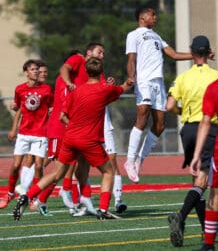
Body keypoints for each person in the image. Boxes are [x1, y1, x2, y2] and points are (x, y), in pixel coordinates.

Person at [13, 57, 133, 221]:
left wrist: (75, 128)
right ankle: (103, 209)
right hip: (89, 139)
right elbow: (124, 87)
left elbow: (62, 116)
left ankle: (27, 196)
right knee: (108, 171)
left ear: (85, 71)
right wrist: (129, 80)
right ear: (101, 72)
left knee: (58, 173)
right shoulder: (104, 90)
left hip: (69, 137)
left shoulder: (76, 91)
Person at [124, 5, 194, 183]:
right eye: (152, 14)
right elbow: (131, 59)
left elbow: (174, 54)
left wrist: (197, 55)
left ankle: (140, 158)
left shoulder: (157, 36)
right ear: (142, 17)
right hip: (144, 81)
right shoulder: (133, 35)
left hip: (158, 82)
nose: (155, 17)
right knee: (143, 114)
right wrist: (131, 77)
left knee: (160, 125)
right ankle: (129, 160)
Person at [166, 35, 218, 247]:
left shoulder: (183, 77)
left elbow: (169, 105)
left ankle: (203, 228)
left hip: (188, 129)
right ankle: (180, 216)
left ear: (191, 51)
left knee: (197, 181)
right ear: (209, 52)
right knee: (203, 180)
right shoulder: (216, 76)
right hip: (207, 128)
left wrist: (183, 112)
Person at [60, 42, 127, 213]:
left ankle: (116, 200)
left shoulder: (98, 69)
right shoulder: (77, 59)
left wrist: (110, 84)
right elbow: (64, 69)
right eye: (100, 52)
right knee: (75, 165)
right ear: (89, 52)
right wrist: (68, 83)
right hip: (84, 127)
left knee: (110, 161)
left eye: (103, 53)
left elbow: (104, 91)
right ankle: (75, 195)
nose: (102, 55)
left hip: (100, 122)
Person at [190, 37, 218, 251]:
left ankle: (209, 245)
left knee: (215, 193)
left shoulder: (215, 86)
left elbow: (205, 123)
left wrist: (197, 155)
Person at [0, 59, 53, 209]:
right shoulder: (19, 89)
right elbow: (19, 108)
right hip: (24, 133)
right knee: (16, 165)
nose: (36, 72)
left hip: (40, 134)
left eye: (37, 69)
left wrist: (53, 110)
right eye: (33, 69)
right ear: (26, 72)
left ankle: (32, 197)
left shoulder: (47, 89)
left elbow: (53, 105)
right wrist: (13, 128)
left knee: (38, 166)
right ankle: (10, 193)